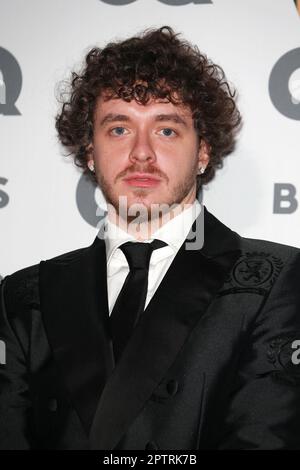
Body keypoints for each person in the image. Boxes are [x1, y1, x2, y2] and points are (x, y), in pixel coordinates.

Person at [1, 26, 300, 451]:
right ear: (89, 150)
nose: (141, 152)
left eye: (166, 130)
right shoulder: (24, 297)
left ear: (203, 152)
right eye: (119, 129)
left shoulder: (275, 281)